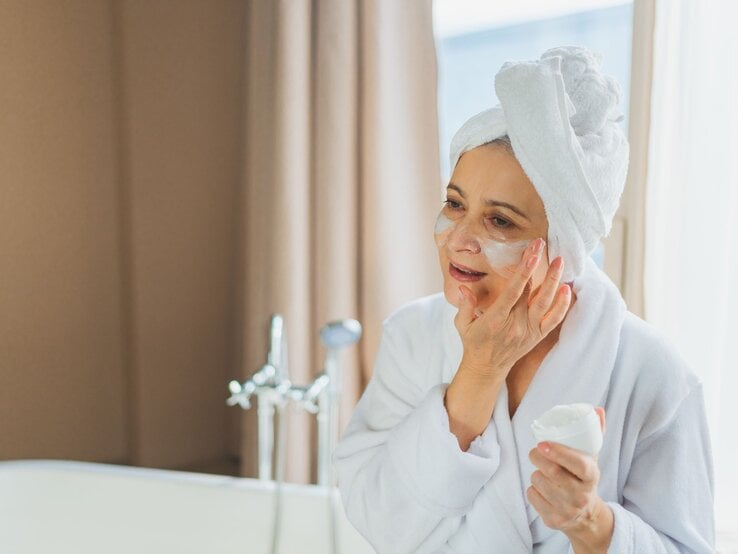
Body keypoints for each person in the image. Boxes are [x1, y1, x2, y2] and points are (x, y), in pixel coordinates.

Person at [332, 46, 715, 553]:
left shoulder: (650, 372)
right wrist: (478, 373)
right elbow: (378, 519)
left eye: (500, 220)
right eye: (454, 204)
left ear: (564, 246)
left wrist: (594, 525)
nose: (457, 238)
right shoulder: (413, 337)